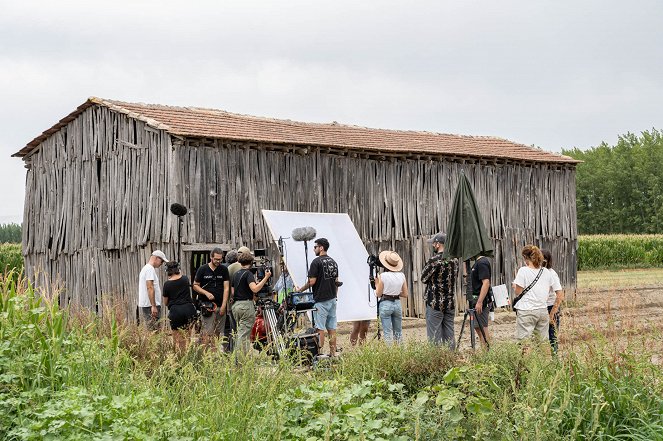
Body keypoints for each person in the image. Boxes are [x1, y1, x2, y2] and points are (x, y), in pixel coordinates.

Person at [296, 238, 339, 356]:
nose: (313, 249)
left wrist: (300, 290)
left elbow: (312, 282)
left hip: (321, 300)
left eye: (315, 247)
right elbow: (336, 282)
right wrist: (335, 296)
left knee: (319, 328)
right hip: (332, 299)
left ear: (321, 248)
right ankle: (332, 354)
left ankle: (318, 354)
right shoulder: (333, 262)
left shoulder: (316, 262)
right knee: (332, 328)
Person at [512, 245, 561, 342]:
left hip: (527, 310)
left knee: (523, 342)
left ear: (526, 257)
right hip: (543, 310)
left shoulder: (523, 271)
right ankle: (544, 357)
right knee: (543, 342)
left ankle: (525, 357)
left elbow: (518, 292)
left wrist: (515, 286)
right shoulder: (546, 271)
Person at [231, 250, 272, 354]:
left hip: (236, 306)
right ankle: (238, 359)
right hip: (246, 305)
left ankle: (240, 357)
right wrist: (266, 278)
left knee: (241, 331)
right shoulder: (248, 274)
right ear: (250, 263)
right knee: (243, 335)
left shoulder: (236, 274)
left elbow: (232, 291)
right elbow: (255, 289)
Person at [421, 233, 458, 349]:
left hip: (435, 303)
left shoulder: (434, 261)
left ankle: (436, 360)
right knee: (449, 334)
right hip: (450, 302)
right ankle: (451, 358)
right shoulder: (454, 260)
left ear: (438, 244)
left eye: (434, 243)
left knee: (434, 336)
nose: (433, 245)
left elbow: (423, 278)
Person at [193, 247, 230, 349]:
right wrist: (206, 293)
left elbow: (226, 288)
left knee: (218, 332)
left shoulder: (224, 269)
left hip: (220, 306)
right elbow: (195, 285)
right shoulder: (202, 269)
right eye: (216, 259)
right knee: (207, 332)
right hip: (207, 306)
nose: (218, 261)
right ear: (211, 257)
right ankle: (205, 354)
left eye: (220, 259)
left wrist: (224, 305)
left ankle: (215, 353)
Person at [162, 261, 197, 352]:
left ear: (167, 270)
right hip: (189, 309)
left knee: (177, 339)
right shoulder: (185, 279)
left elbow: (165, 302)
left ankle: (179, 356)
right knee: (188, 336)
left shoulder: (167, 284)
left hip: (176, 312)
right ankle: (188, 355)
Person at [375, 250, 408, 345]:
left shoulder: (383, 276)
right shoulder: (402, 275)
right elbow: (405, 294)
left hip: (385, 303)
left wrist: (377, 284)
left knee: (387, 332)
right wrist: (396, 292)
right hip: (397, 303)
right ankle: (401, 353)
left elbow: (378, 293)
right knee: (398, 332)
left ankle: (389, 355)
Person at [138, 250, 168, 331]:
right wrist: (153, 306)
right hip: (150, 305)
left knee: (152, 330)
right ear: (156, 258)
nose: (161, 264)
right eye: (161, 261)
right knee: (154, 331)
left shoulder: (146, 268)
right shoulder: (149, 269)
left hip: (148, 305)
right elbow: (150, 287)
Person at [541, 249, 565, 352]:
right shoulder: (540, 272)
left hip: (550, 307)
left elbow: (559, 295)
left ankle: (555, 361)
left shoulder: (551, 274)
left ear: (545, 260)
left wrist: (552, 314)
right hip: (541, 307)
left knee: (552, 337)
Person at [470, 253, 493, 347]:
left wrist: (480, 302)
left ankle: (487, 354)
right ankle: (485, 350)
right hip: (476, 300)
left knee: (483, 328)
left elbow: (486, 282)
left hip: (482, 301)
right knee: (477, 327)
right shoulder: (477, 263)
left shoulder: (482, 263)